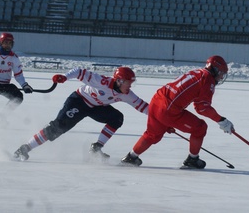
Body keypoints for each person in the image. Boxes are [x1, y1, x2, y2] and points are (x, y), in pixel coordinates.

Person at [120, 55, 234, 169]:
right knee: (200, 128)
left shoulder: (197, 72)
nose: (221, 77)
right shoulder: (208, 80)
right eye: (221, 73)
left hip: (157, 101)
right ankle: (192, 160)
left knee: (152, 135)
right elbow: (202, 107)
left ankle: (131, 157)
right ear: (215, 69)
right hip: (169, 109)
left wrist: (167, 121)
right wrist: (221, 120)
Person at [13, 66, 148, 161]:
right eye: (129, 83)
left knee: (117, 118)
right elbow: (79, 72)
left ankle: (96, 147)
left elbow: (143, 107)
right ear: (119, 81)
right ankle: (25, 148)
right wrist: (64, 77)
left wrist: (162, 117)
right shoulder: (102, 81)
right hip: (79, 101)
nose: (130, 86)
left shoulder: (126, 94)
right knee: (57, 128)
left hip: (96, 107)